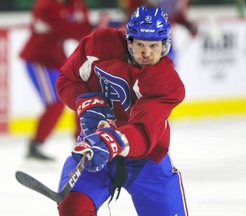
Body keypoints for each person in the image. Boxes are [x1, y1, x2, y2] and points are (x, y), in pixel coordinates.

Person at [56, 6, 188, 215]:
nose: (147, 52)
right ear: (129, 41)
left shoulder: (167, 83)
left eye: (154, 45)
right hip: (94, 153)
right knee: (72, 207)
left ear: (165, 45)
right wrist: (88, 103)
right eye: (140, 45)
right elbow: (67, 79)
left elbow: (144, 131)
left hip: (147, 163)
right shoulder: (98, 44)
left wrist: (110, 142)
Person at [19, 0, 92, 160]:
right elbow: (68, 29)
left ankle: (82, 142)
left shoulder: (75, 3)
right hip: (39, 59)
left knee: (80, 97)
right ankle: (36, 145)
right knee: (55, 104)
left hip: (57, 60)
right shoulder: (45, 5)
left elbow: (84, 29)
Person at [120, 0, 198, 62]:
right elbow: (130, 15)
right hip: (140, 40)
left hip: (164, 41)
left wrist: (188, 25)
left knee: (167, 72)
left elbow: (177, 16)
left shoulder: (180, 1)